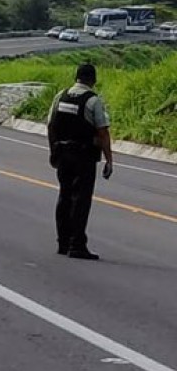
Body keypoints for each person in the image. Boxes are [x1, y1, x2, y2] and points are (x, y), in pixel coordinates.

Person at [47, 63, 113, 261]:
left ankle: (63, 242)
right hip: (83, 157)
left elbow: (51, 125)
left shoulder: (61, 95)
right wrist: (109, 160)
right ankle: (77, 245)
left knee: (64, 197)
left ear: (76, 77)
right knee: (81, 200)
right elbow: (102, 132)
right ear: (93, 80)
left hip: (63, 153)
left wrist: (53, 151)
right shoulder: (93, 101)